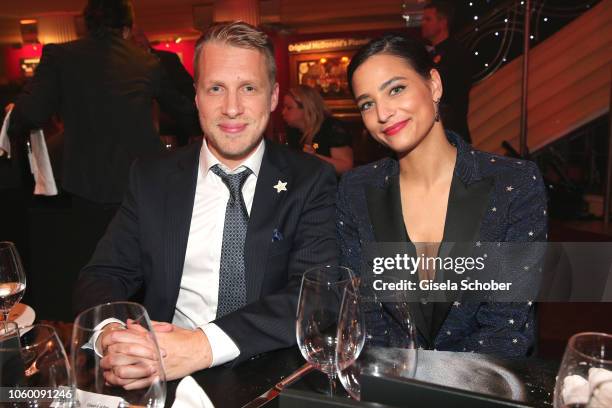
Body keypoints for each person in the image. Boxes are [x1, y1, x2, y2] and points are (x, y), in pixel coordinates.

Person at [73, 21, 338, 386]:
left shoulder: (310, 181)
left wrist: (201, 346)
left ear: (274, 97)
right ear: (196, 95)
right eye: (216, 88)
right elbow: (102, 275)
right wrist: (114, 336)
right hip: (162, 374)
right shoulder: (152, 178)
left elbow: (317, 299)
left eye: (248, 88)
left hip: (271, 378)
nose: (231, 108)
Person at [337, 34, 547, 357]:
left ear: (433, 84)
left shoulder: (515, 184)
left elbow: (506, 328)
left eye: (396, 89)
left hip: (484, 389)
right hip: (390, 388)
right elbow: (366, 320)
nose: (383, 112)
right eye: (367, 103)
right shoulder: (355, 190)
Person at [6, 0, 201, 266]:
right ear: (127, 28)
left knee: (97, 269)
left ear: (87, 25)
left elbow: (31, 114)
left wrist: (14, 113)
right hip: (141, 186)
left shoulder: (60, 57)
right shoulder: (146, 62)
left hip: (88, 187)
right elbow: (187, 116)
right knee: (146, 267)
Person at [421, 0, 474, 143]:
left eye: (428, 19)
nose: (423, 23)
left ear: (442, 23)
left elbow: (453, 95)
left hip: (450, 133)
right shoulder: (427, 55)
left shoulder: (457, 53)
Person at [282, 85, 353, 174]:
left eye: (289, 108)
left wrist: (314, 157)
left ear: (307, 108)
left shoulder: (331, 127)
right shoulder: (292, 131)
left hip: (332, 185)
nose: (283, 112)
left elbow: (346, 167)